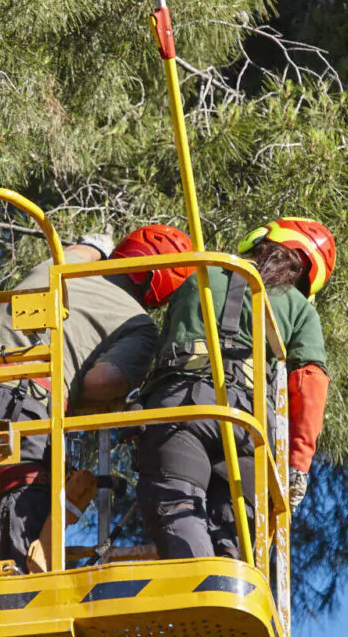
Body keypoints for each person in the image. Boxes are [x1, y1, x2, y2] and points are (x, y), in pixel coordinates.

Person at [0, 224, 194, 566]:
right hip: (26, 405)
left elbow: (78, 252)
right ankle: (16, 593)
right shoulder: (139, 325)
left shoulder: (56, 267)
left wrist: (94, 247)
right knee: (21, 500)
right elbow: (101, 382)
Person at [134, 218, 335, 560]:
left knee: (176, 506)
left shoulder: (200, 274)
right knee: (235, 531)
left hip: (182, 408)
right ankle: (223, 587)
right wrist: (298, 466)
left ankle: (202, 584)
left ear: (260, 239)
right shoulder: (300, 310)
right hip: (250, 428)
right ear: (309, 278)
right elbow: (309, 383)